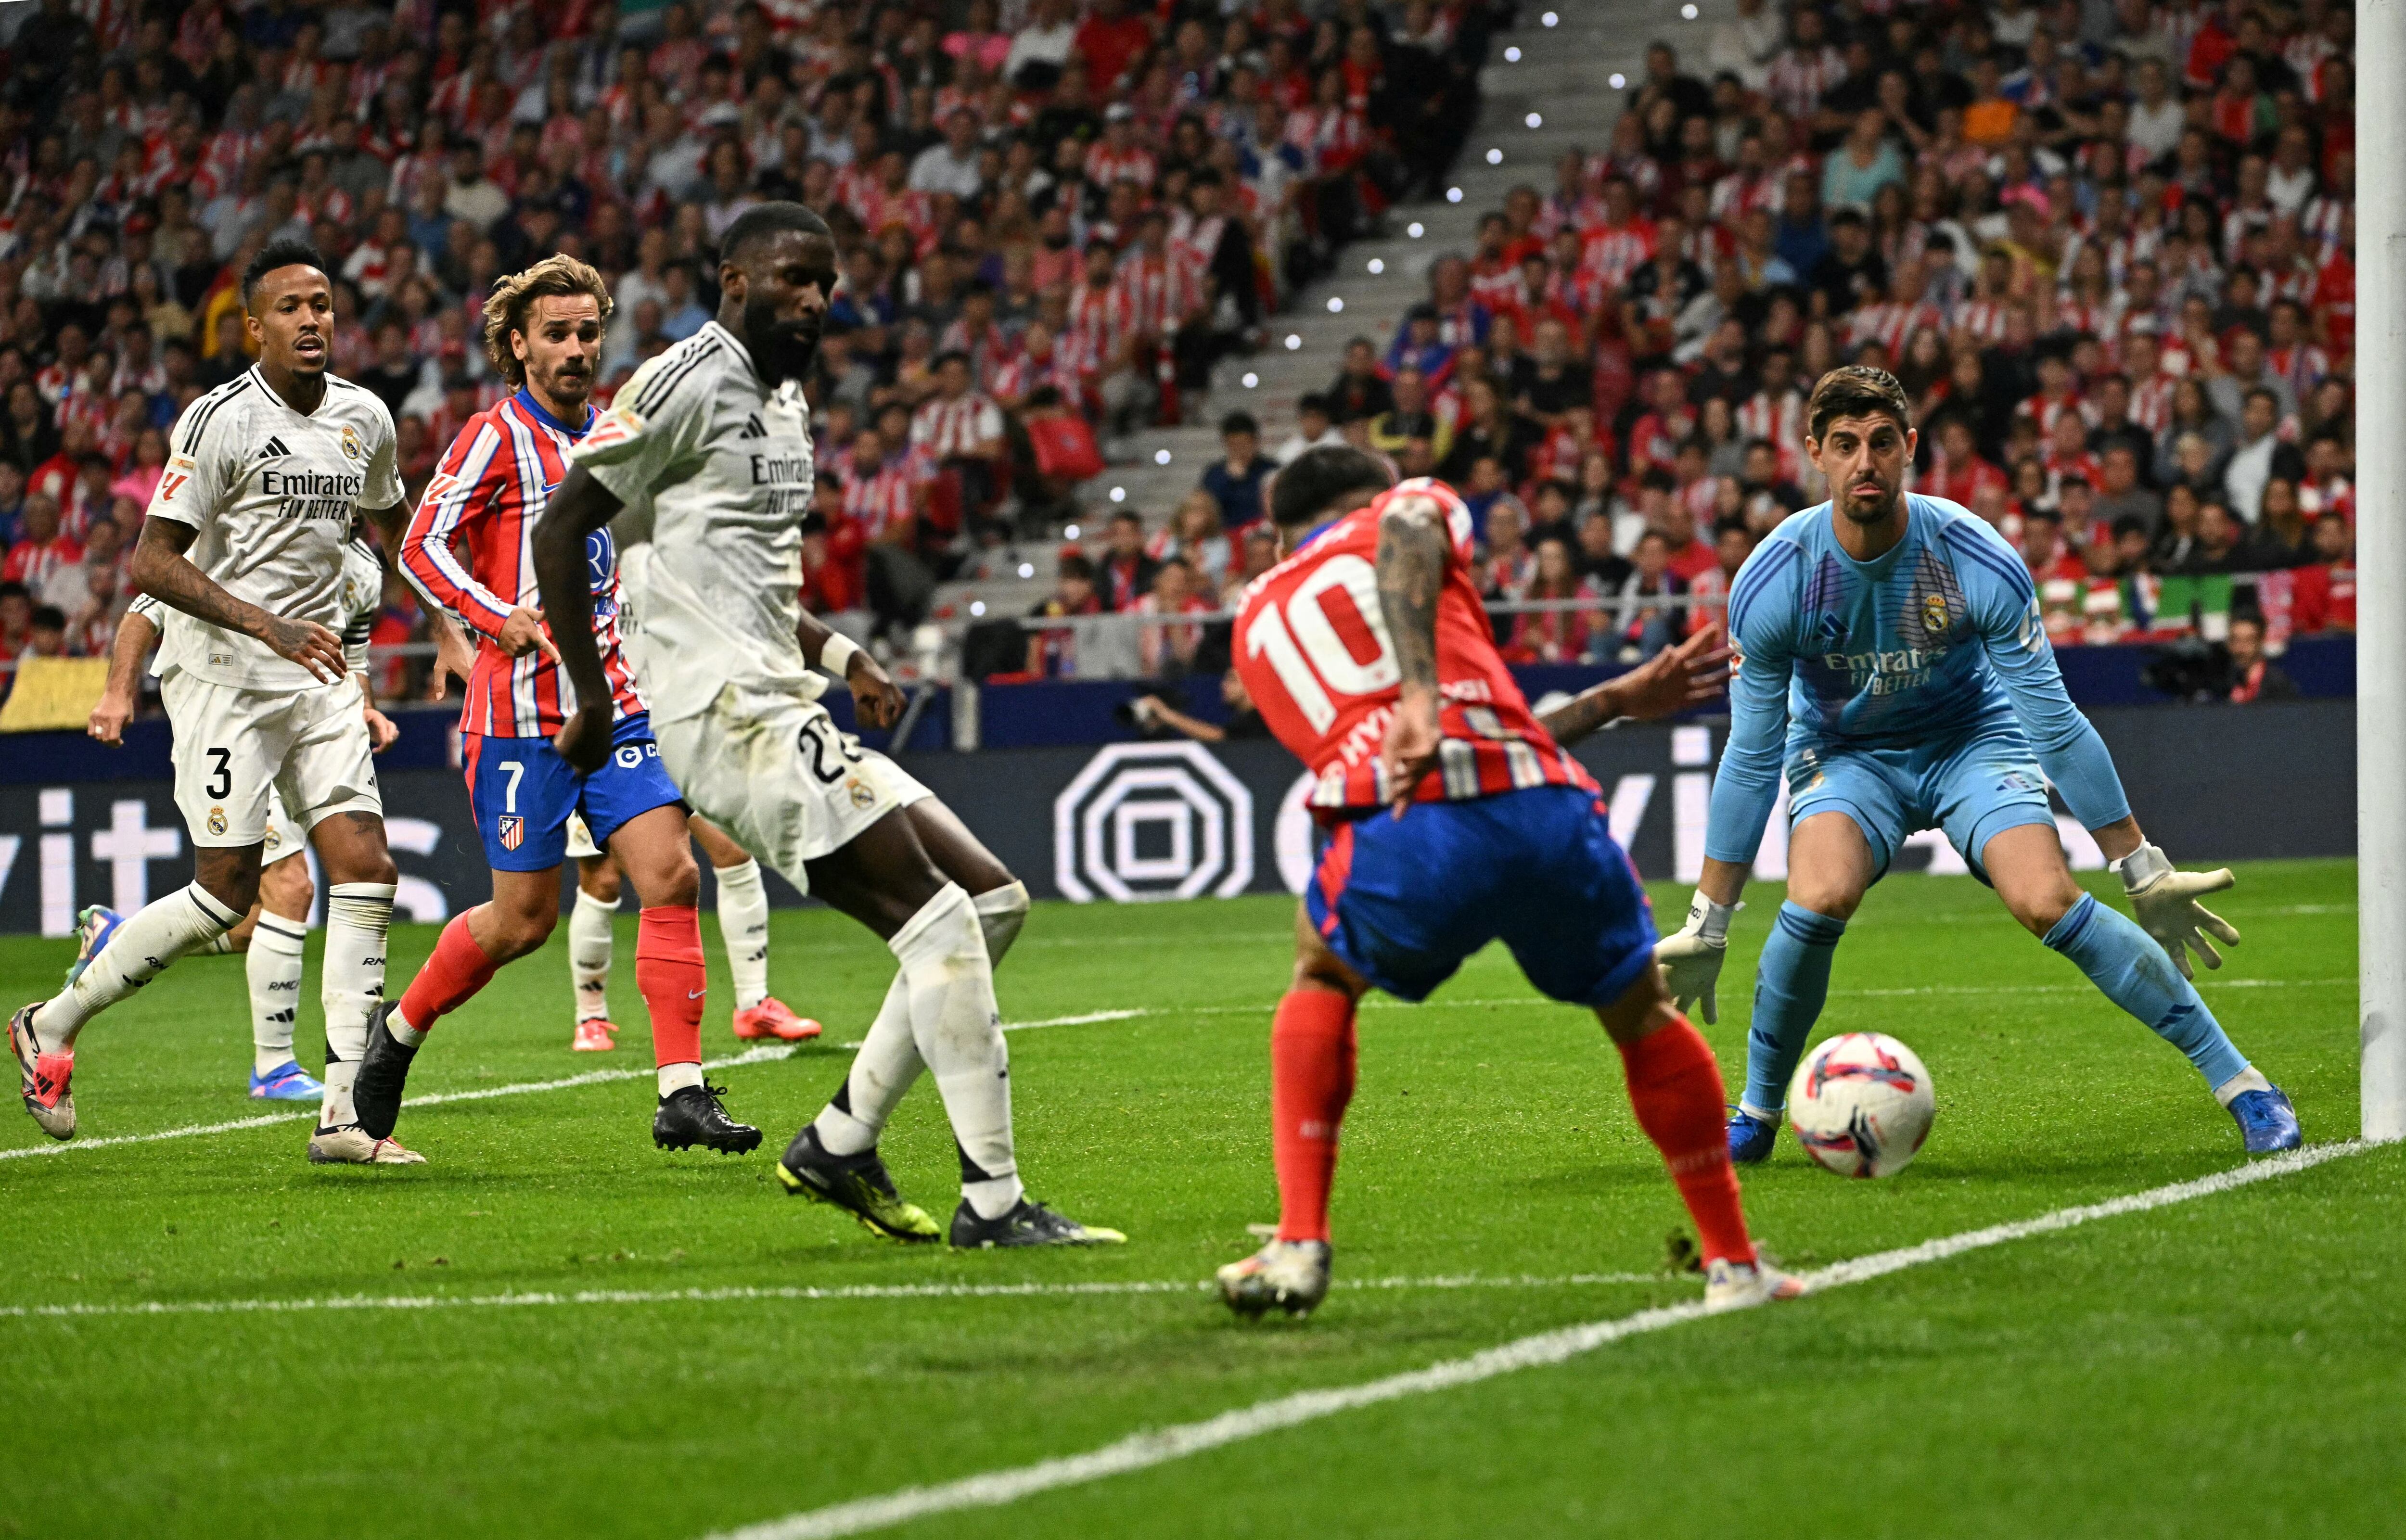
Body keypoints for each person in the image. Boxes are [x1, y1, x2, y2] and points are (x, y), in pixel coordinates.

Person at [533, 203, 1114, 1247]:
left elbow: (733, 570)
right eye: (794, 276)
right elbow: (569, 522)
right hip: (727, 713)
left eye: (827, 284)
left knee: (992, 902)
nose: (814, 297)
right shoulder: (680, 381)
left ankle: (840, 1143)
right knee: (936, 925)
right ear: (736, 277)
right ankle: (993, 1202)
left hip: (779, 694)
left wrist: (842, 655)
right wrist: (590, 695)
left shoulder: (784, 402)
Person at [1657, 367, 2299, 1166]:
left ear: (1910, 449)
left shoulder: (1973, 556)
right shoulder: (1776, 576)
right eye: (1848, 445)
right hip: (1847, 754)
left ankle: (2245, 1086)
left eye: (1883, 443)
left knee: (2046, 898)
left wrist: (2141, 867)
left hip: (1972, 740)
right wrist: (1707, 923)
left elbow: (2054, 723)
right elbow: (1752, 755)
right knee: (1818, 894)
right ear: (1815, 453)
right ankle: (1754, 1113)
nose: (1867, 462)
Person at [1215, 444, 1797, 1318]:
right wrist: (1424, 694)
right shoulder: (1403, 505)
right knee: (1640, 1010)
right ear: (1364, 494)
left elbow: (1405, 732)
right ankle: (1734, 1262)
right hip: (1538, 805)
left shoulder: (1255, 614)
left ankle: (1299, 1242)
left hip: (1410, 824)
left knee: (1322, 969)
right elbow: (1414, 534)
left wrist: (1600, 700)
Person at [12, 238, 465, 1164]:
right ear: (254, 327)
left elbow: (393, 521)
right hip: (222, 676)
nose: (313, 321)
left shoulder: (363, 417)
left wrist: (450, 621)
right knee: (225, 893)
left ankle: (344, 1115)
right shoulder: (218, 421)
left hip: (318, 676)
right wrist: (261, 626)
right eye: (292, 308)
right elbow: (150, 564)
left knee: (366, 868)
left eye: (325, 304)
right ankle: (50, 1022)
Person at [352, 254, 758, 1158]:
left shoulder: (616, 436)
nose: (577, 349)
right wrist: (497, 617)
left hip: (613, 708)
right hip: (520, 725)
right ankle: (398, 1034)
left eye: (587, 332)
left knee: (673, 875)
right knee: (522, 922)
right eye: (557, 334)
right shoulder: (495, 437)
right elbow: (419, 546)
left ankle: (681, 1090)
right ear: (518, 346)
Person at [75, 543, 397, 1104]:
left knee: (249, 916)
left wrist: (364, 706)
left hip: (310, 730)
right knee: (291, 889)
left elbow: (353, 655)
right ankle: (274, 1067)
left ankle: (116, 937)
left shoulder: (365, 568)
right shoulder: (247, 536)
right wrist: (117, 691)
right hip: (235, 725)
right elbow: (143, 610)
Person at [560, 810, 815, 1053]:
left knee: (734, 852)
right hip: (609, 769)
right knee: (602, 881)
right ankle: (591, 1017)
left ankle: (754, 1005)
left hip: (673, 766)